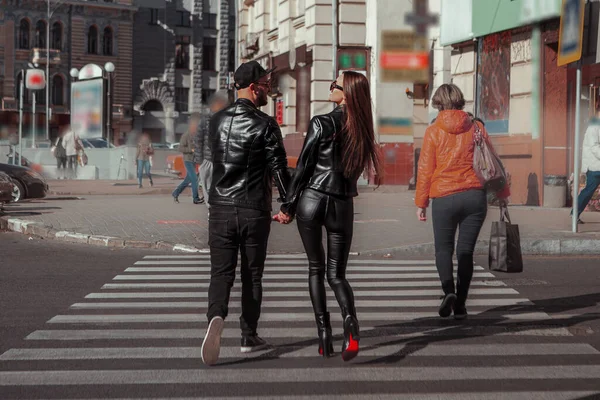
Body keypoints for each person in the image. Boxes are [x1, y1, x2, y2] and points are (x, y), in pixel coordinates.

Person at [278, 71, 382, 361]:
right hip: (342, 205)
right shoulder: (362, 129)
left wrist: (287, 206)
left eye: (335, 83)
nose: (330, 86)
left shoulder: (321, 122)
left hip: (312, 200)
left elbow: (303, 168)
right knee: (337, 275)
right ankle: (351, 322)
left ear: (345, 92)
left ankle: (324, 335)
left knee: (315, 268)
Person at [201, 61, 290, 366]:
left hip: (220, 209)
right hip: (253, 210)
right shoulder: (265, 124)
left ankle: (216, 316)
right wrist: (288, 206)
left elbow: (214, 164)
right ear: (254, 88)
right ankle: (248, 335)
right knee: (252, 275)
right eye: (266, 84)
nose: (269, 89)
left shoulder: (215, 122)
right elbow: (279, 169)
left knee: (221, 273)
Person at [415, 83, 509, 321]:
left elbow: (425, 169)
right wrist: (503, 195)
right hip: (474, 197)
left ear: (438, 103)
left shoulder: (433, 131)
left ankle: (449, 292)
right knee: (465, 252)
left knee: (443, 250)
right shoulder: (476, 127)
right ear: (460, 100)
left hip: (444, 198)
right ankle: (461, 306)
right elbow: (492, 161)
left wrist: (421, 202)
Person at [195, 91, 230, 208]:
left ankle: (216, 209)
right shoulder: (205, 121)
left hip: (221, 160)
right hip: (207, 160)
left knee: (219, 187)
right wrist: (200, 161)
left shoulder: (226, 120)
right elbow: (198, 140)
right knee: (207, 188)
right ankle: (211, 210)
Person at [574, 110, 600, 223]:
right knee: (588, 191)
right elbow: (594, 148)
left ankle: (575, 213)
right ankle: (575, 213)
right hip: (595, 166)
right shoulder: (593, 128)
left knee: (588, 190)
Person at [172, 113, 203, 204]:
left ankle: (175, 193)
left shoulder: (197, 135)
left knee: (187, 180)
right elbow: (180, 148)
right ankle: (195, 198)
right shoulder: (186, 135)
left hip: (194, 160)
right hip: (188, 160)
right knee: (194, 179)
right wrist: (191, 149)